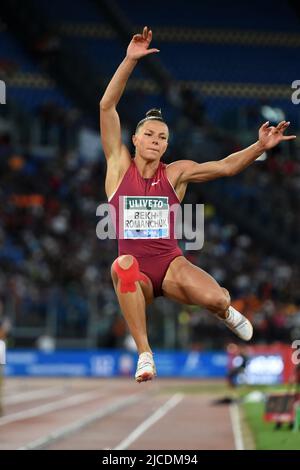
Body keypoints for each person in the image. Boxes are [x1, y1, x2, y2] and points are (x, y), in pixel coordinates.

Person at [99, 26, 296, 383]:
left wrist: (258, 148)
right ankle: (145, 353)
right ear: (135, 139)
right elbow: (107, 105)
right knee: (123, 264)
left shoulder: (176, 173)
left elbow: (224, 167)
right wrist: (129, 60)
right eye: (150, 135)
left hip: (171, 265)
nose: (156, 141)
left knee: (219, 299)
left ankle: (224, 312)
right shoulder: (118, 165)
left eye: (163, 137)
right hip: (136, 272)